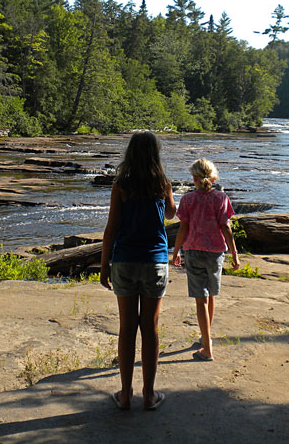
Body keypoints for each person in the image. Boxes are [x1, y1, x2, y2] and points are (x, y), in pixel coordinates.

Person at [100, 131, 176, 411]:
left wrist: (103, 264)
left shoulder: (121, 184)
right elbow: (171, 214)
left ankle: (124, 394)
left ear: (130, 153)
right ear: (155, 154)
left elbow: (112, 228)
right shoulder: (162, 183)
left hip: (124, 261)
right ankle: (149, 394)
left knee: (127, 328)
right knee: (150, 329)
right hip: (154, 261)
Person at [171, 158, 239, 361]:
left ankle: (207, 348)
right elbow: (226, 227)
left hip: (193, 250)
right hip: (216, 252)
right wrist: (235, 253)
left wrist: (175, 252)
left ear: (194, 178)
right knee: (210, 296)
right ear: (213, 177)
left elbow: (183, 228)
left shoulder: (188, 199)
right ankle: (205, 337)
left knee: (200, 300)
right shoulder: (221, 198)